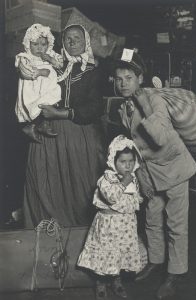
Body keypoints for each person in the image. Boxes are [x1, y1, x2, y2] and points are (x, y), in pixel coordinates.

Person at [112, 50, 196, 299]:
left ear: (140, 78)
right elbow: (135, 147)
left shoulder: (155, 99)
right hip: (151, 171)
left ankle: (174, 274)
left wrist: (143, 101)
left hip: (175, 169)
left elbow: (158, 137)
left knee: (175, 224)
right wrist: (141, 177)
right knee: (151, 218)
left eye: (129, 77)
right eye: (119, 79)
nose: (123, 83)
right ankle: (156, 260)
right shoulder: (123, 106)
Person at [22, 24, 106, 228]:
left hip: (79, 134)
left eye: (77, 38)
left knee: (80, 184)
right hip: (49, 133)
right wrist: (33, 122)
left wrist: (61, 113)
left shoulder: (94, 71)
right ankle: (47, 232)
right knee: (46, 181)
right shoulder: (51, 66)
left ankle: (80, 234)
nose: (72, 42)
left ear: (85, 42)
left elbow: (96, 107)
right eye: (67, 38)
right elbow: (31, 94)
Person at [77, 135, 143, 300]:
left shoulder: (133, 178)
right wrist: (123, 183)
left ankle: (116, 282)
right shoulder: (106, 179)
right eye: (122, 162)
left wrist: (138, 197)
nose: (127, 166)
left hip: (126, 225)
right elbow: (111, 197)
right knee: (106, 255)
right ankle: (100, 282)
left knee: (120, 255)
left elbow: (134, 198)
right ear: (113, 162)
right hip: (109, 225)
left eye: (130, 161)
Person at [15, 23, 63, 141]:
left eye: (43, 44)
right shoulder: (25, 57)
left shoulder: (50, 54)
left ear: (49, 44)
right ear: (28, 44)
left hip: (48, 86)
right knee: (34, 105)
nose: (39, 48)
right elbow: (24, 72)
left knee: (49, 101)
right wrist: (40, 72)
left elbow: (60, 64)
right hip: (33, 88)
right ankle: (31, 126)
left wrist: (50, 59)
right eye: (35, 44)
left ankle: (43, 124)